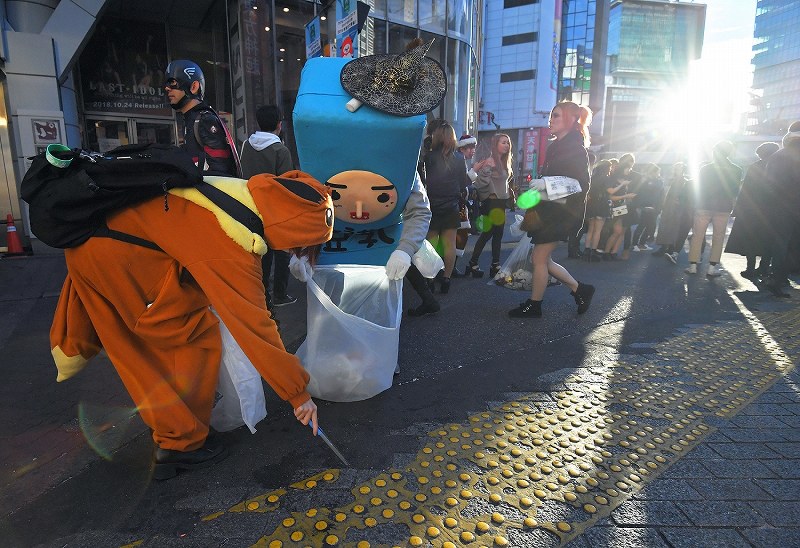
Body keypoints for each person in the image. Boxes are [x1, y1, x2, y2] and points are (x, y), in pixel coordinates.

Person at [49, 172, 334, 479]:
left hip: (112, 245)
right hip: (118, 260)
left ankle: (182, 430)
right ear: (292, 231)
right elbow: (255, 328)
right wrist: (298, 394)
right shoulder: (232, 240)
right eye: (301, 247)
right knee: (176, 345)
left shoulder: (243, 195)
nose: (294, 253)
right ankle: (178, 445)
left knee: (183, 338)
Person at [508, 101, 595, 318]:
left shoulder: (576, 148)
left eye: (556, 115)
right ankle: (580, 289)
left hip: (561, 214)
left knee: (539, 258)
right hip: (549, 211)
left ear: (571, 119)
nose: (551, 120)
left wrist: (546, 183)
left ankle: (535, 304)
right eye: (551, 115)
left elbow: (582, 184)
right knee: (543, 259)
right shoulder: (557, 145)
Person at [240, 105, 297, 307]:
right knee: (281, 251)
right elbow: (286, 185)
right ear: (279, 125)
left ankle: (261, 296)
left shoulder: (246, 145)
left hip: (250, 207)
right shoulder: (280, 150)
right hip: (275, 210)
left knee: (260, 253)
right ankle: (280, 294)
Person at [164, 59, 240, 177]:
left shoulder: (204, 120)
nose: (167, 88)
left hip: (210, 193)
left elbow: (221, 171)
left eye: (173, 82)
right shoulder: (192, 120)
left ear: (194, 86)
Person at [420, 122, 471, 293]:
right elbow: (463, 184)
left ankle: (430, 279)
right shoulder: (459, 158)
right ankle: (447, 280)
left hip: (432, 205)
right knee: (449, 245)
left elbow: (422, 180)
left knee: (431, 244)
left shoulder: (429, 157)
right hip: (451, 205)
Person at [724, 142, 780, 283]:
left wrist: (737, 209)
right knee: (769, 241)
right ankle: (764, 268)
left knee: (751, 240)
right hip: (773, 212)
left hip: (752, 211)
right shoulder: (779, 168)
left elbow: (746, 191)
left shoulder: (755, 167)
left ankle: (750, 269)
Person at [685, 141, 743, 277]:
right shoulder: (737, 170)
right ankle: (712, 268)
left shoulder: (705, 168)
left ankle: (693, 266)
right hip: (723, 207)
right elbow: (734, 191)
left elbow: (698, 188)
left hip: (704, 205)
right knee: (718, 237)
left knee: (697, 236)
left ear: (715, 152)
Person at [466, 134, 513, 279]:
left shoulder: (505, 162)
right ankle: (473, 263)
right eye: (503, 142)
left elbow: (506, 182)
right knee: (488, 233)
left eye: (508, 143)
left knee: (498, 234)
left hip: (500, 202)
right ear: (496, 144)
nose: (506, 145)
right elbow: (479, 184)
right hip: (491, 202)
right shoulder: (489, 162)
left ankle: (495, 265)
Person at [762, 122, 800, 296]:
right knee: (791, 246)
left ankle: (776, 278)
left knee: (780, 243)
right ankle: (778, 278)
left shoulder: (777, 155)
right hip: (793, 208)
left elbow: (768, 184)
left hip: (778, 207)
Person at [652, 162, 694, 264]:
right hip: (669, 207)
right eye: (675, 168)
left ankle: (669, 248)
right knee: (665, 227)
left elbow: (683, 196)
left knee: (673, 228)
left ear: (683, 170)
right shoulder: (673, 180)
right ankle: (664, 247)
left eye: (678, 168)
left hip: (677, 209)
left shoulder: (684, 181)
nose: (676, 170)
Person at [583, 159, 614, 262]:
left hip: (592, 205)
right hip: (602, 205)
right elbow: (610, 191)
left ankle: (586, 250)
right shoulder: (606, 178)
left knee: (591, 229)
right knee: (598, 230)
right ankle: (593, 251)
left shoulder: (592, 177)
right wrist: (622, 185)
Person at [631, 163, 664, 251]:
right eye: (657, 172)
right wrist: (642, 206)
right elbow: (643, 194)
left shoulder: (657, 181)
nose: (658, 174)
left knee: (649, 226)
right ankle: (634, 244)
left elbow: (660, 194)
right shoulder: (647, 181)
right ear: (652, 172)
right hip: (647, 207)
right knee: (642, 225)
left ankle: (642, 243)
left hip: (655, 207)